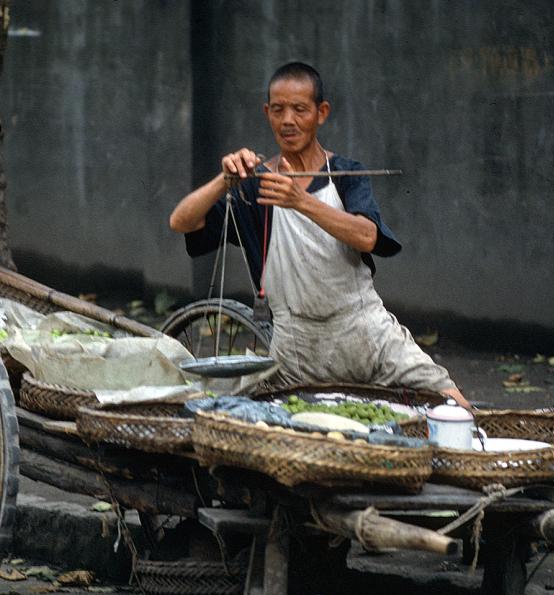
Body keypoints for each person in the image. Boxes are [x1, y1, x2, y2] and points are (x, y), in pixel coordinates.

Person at [169, 61, 468, 406]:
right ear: (267, 112)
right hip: (296, 346)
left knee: (450, 401)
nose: (288, 121)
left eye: (300, 109)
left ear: (321, 113)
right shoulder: (256, 187)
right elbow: (181, 222)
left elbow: (367, 237)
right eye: (278, 110)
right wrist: (226, 179)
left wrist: (300, 201)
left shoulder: (347, 173)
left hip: (365, 333)